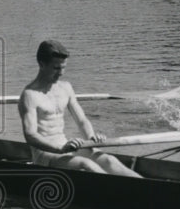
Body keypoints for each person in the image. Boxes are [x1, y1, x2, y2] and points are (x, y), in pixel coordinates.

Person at [18, 40, 141, 177]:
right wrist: (60, 149)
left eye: (63, 67)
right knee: (86, 164)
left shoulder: (66, 87)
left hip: (66, 145)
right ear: (41, 64)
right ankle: (125, 193)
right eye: (56, 68)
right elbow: (30, 135)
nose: (61, 73)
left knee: (109, 160)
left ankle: (147, 188)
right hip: (45, 155)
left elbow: (81, 120)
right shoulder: (29, 95)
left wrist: (91, 138)